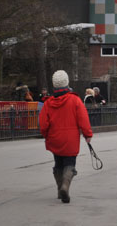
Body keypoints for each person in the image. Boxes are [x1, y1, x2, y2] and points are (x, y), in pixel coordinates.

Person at [39, 70, 93, 204]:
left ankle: (59, 188)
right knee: (70, 164)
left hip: (54, 138)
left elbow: (43, 123)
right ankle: (65, 186)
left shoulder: (48, 103)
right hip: (71, 139)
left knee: (58, 164)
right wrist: (87, 134)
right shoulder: (75, 100)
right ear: (66, 83)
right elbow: (83, 119)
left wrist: (46, 135)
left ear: (54, 85)